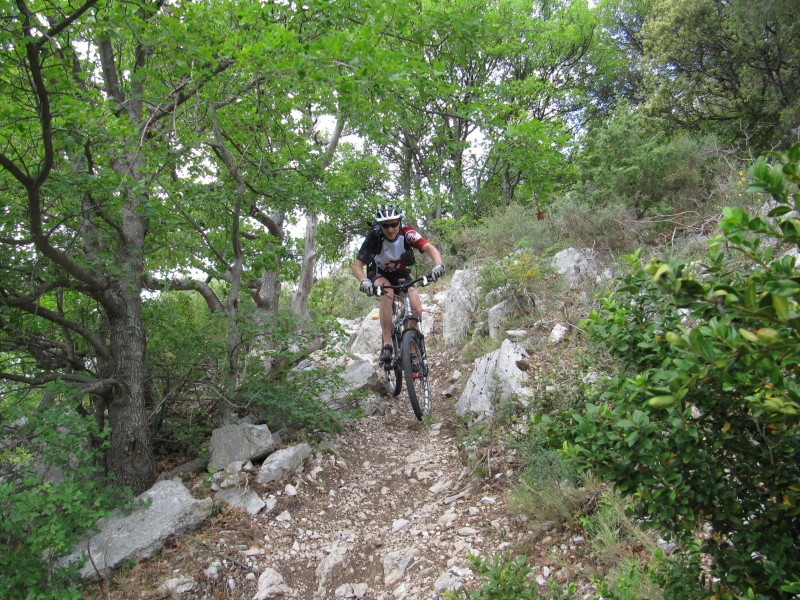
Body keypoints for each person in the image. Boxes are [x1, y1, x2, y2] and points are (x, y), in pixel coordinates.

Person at [352, 206, 445, 364]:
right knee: (386, 292)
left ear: (399, 223)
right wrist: (364, 281)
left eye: (393, 224)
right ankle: (387, 343)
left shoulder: (407, 233)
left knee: (416, 309)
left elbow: (429, 247)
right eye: (385, 225)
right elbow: (357, 265)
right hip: (379, 273)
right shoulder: (375, 237)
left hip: (401, 274)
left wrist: (438, 265)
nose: (390, 229)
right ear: (380, 226)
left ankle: (410, 350)